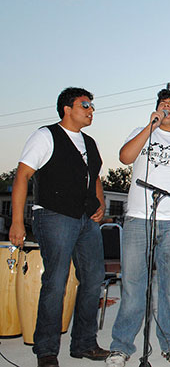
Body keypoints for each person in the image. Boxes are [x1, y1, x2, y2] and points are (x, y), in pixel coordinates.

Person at [105, 89, 170, 367]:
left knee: (169, 287)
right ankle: (121, 346)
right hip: (139, 219)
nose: (166, 106)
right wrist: (149, 127)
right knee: (132, 285)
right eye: (162, 104)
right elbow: (125, 157)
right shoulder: (141, 131)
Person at [9, 87, 109, 367]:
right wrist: (17, 222)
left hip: (85, 220)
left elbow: (96, 177)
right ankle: (46, 349)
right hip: (54, 216)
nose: (91, 110)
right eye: (85, 105)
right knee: (56, 281)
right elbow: (22, 176)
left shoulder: (89, 142)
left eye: (92, 106)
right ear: (67, 108)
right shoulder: (45, 136)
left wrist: (99, 204)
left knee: (93, 280)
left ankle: (84, 344)